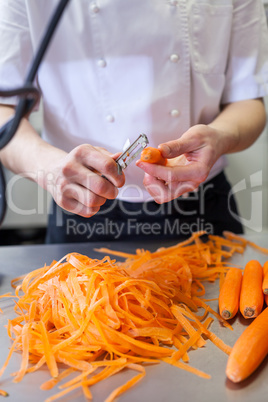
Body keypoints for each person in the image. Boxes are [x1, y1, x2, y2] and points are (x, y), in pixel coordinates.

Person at [0, 0, 268, 243]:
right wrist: (49, 166)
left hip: (202, 202)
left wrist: (219, 137)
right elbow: (4, 109)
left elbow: (248, 100)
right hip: (81, 207)